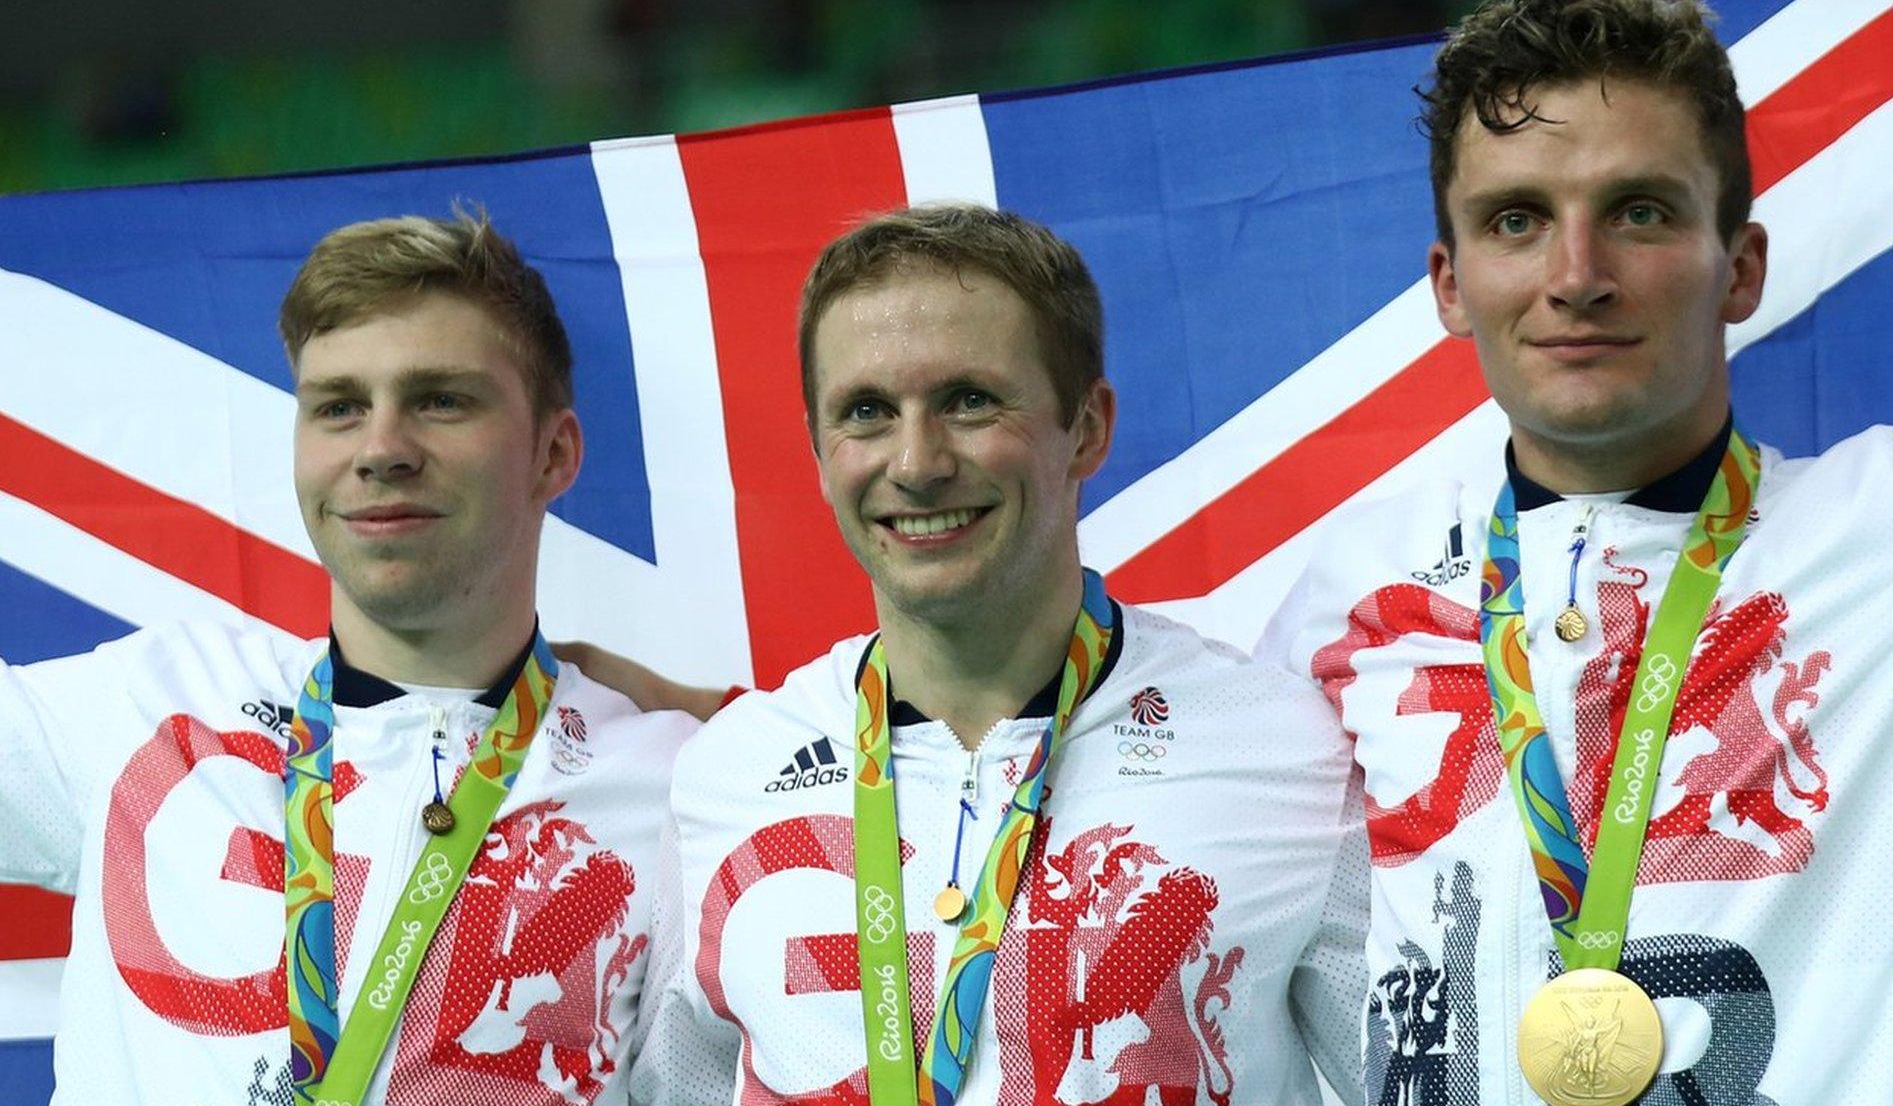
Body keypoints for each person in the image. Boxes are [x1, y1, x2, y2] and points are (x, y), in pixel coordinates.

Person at [1257, 0, 1893, 1106]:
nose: (1575, 278)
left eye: (1637, 211)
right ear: (1448, 283)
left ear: (1741, 267)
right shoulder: (1346, 595)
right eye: (1515, 221)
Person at [625, 204, 1372, 1105]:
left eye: (969, 401)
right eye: (866, 412)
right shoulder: (728, 774)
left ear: (1087, 427)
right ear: (821, 454)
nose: (917, 461)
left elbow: (1407, 1078)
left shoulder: (1276, 743)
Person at [0, 210, 706, 1105]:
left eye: (441, 400)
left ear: (554, 453)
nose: (380, 450)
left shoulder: (680, 785)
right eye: (338, 407)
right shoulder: (152, 703)